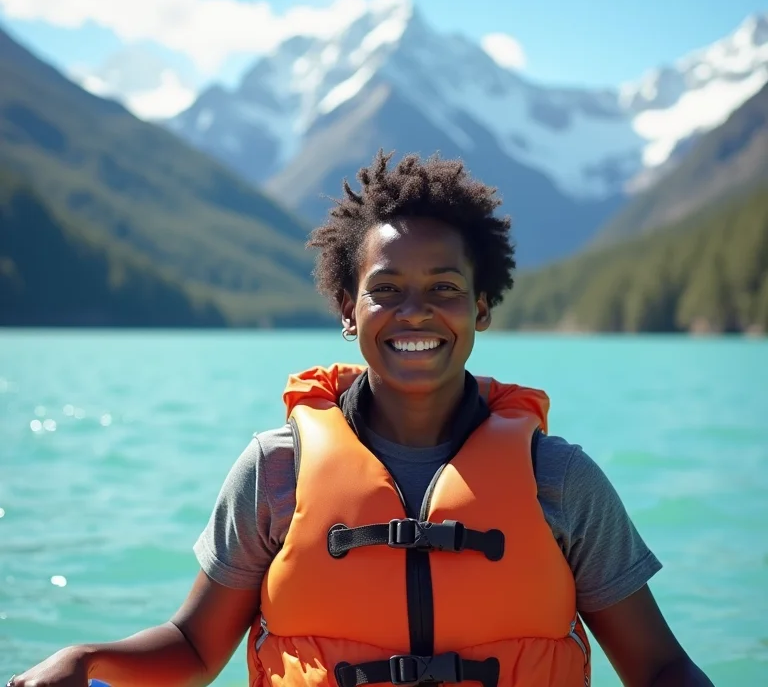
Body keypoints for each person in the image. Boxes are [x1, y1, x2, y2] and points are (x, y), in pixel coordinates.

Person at [10, 151, 714, 687]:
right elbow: (195, 650)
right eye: (386, 291)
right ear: (349, 310)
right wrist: (85, 657)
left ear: (482, 308)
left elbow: (659, 671)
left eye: (445, 289)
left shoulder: (558, 478)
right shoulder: (275, 471)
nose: (416, 313)